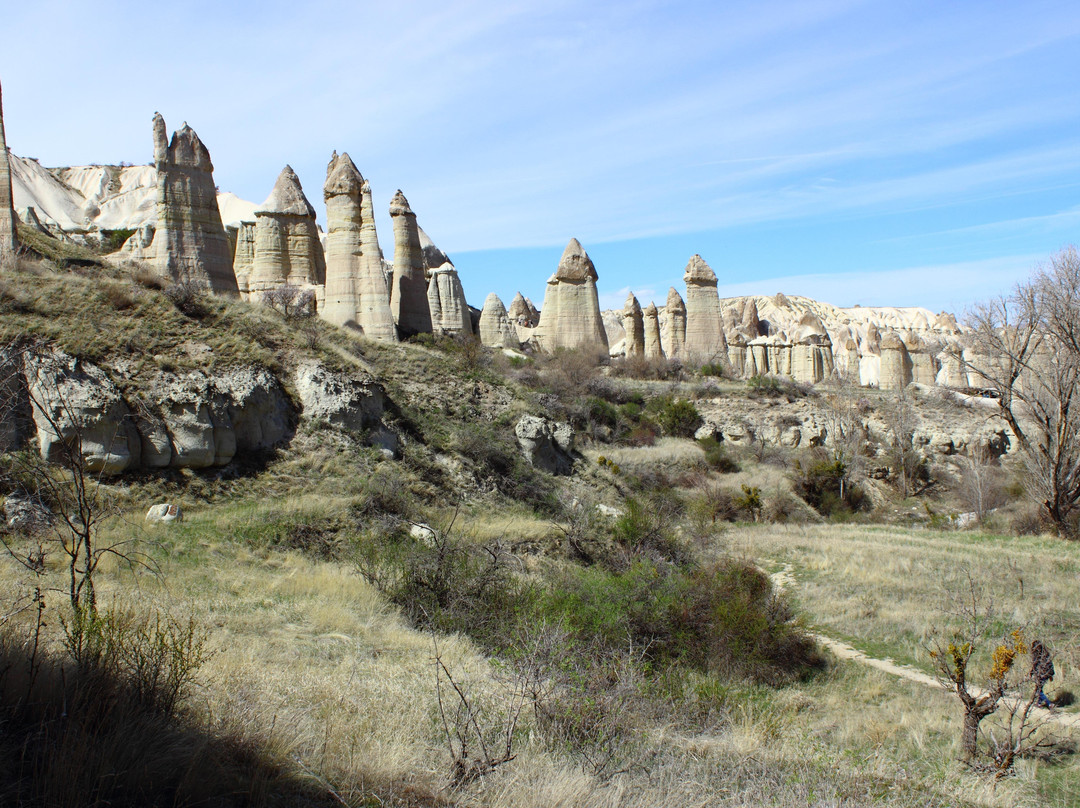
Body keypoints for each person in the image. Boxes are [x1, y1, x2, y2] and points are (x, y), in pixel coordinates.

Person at [1030, 640, 1055, 709]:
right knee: (1039, 688)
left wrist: (1031, 673)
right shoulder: (1046, 654)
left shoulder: (1037, 656)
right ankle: (1039, 703)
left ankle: (1049, 703)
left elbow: (1035, 665)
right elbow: (1050, 665)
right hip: (1047, 674)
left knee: (1039, 690)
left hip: (1041, 674)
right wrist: (1051, 675)